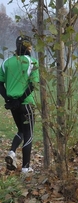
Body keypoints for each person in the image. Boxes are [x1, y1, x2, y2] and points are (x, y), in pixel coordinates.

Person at [0, 35, 39, 176]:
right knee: (28, 134)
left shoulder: (6, 63)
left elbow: (0, 84)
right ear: (29, 47)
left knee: (21, 130)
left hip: (14, 105)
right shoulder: (32, 62)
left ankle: (11, 152)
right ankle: (25, 168)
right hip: (26, 103)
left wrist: (9, 100)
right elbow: (33, 84)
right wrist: (20, 99)